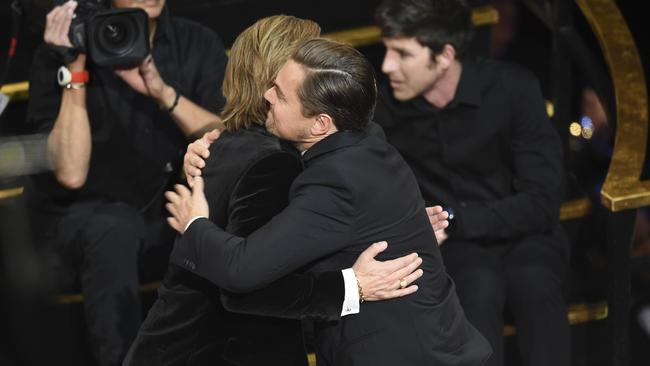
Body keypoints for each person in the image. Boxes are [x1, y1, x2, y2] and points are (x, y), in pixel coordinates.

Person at [124, 15, 428, 366]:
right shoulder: (271, 162)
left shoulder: (234, 143)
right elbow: (248, 290)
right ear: (277, 79)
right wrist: (352, 287)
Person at [166, 38, 492, 366]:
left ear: (321, 122)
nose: (266, 95)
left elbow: (240, 270)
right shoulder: (367, 139)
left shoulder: (336, 184)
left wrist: (194, 224)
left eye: (279, 93)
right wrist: (212, 151)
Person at [25, 0, 226, 364]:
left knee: (217, 222)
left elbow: (227, 142)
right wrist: (75, 69)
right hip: (66, 230)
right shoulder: (61, 50)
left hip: (153, 217)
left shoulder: (195, 42)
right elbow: (71, 173)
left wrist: (162, 92)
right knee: (112, 227)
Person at [372, 1, 571, 365]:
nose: (387, 67)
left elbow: (541, 202)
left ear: (444, 56)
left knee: (534, 280)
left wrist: (457, 217)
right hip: (454, 247)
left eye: (402, 54)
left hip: (526, 234)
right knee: (477, 284)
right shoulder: (385, 112)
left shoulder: (512, 88)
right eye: (387, 51)